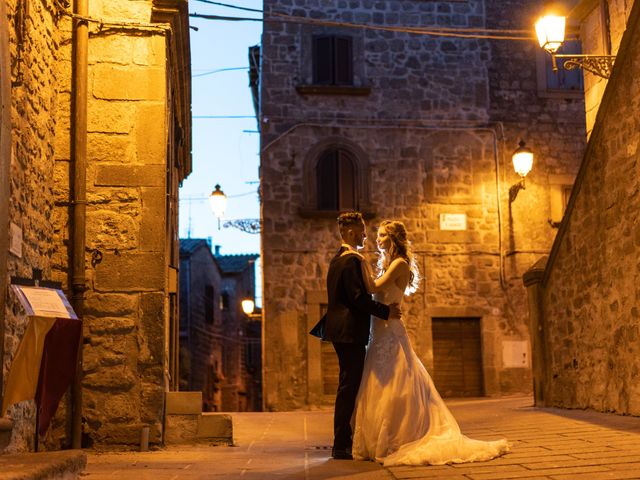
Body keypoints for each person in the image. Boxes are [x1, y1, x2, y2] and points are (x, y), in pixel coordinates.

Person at [351, 220, 510, 466]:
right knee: (378, 383)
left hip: (390, 333)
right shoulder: (387, 265)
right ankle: (375, 440)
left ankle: (398, 437)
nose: (378, 239)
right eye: (378, 235)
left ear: (393, 237)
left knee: (396, 383)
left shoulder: (399, 264)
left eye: (382, 235)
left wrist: (358, 261)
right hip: (379, 332)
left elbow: (373, 287)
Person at [313, 211, 400, 460]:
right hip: (349, 331)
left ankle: (343, 441)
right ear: (351, 232)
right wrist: (386, 311)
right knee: (348, 387)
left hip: (341, 330)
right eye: (362, 230)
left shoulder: (337, 259)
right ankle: (341, 445)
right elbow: (358, 299)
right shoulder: (351, 260)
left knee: (347, 386)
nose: (365, 235)